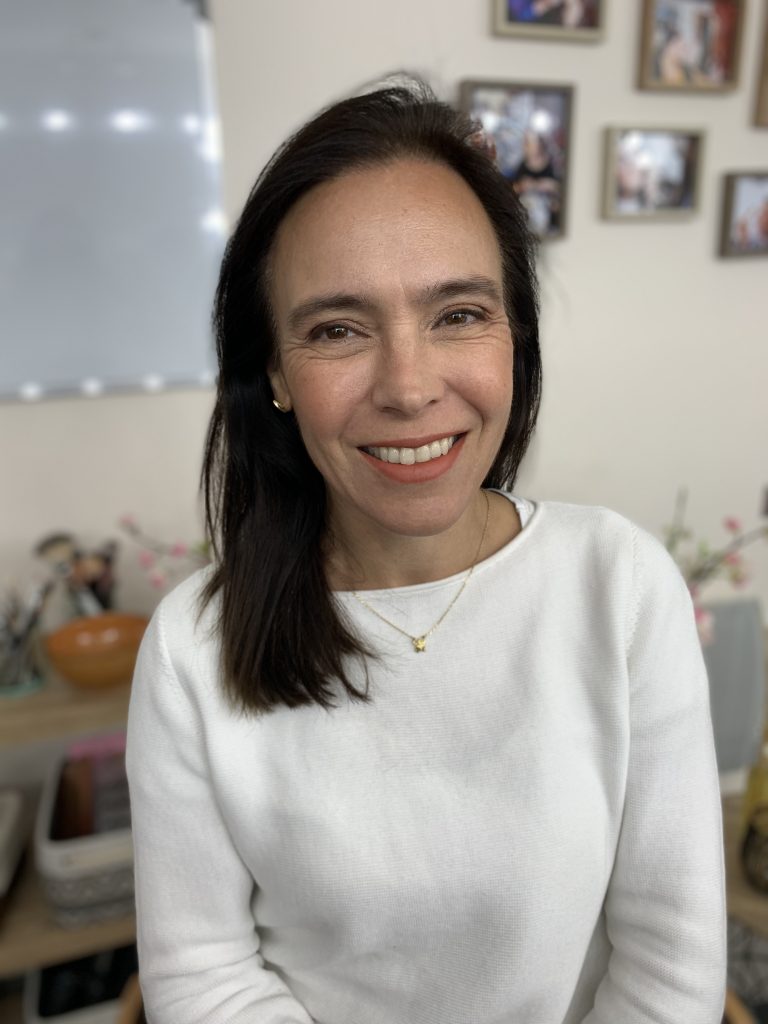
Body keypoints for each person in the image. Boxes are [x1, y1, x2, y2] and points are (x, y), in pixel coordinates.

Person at [126, 79, 726, 1023]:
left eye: (458, 314)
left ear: (515, 336)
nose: (408, 389)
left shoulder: (620, 587)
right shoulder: (191, 647)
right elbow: (203, 976)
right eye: (337, 329)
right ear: (274, 369)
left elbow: (671, 959)